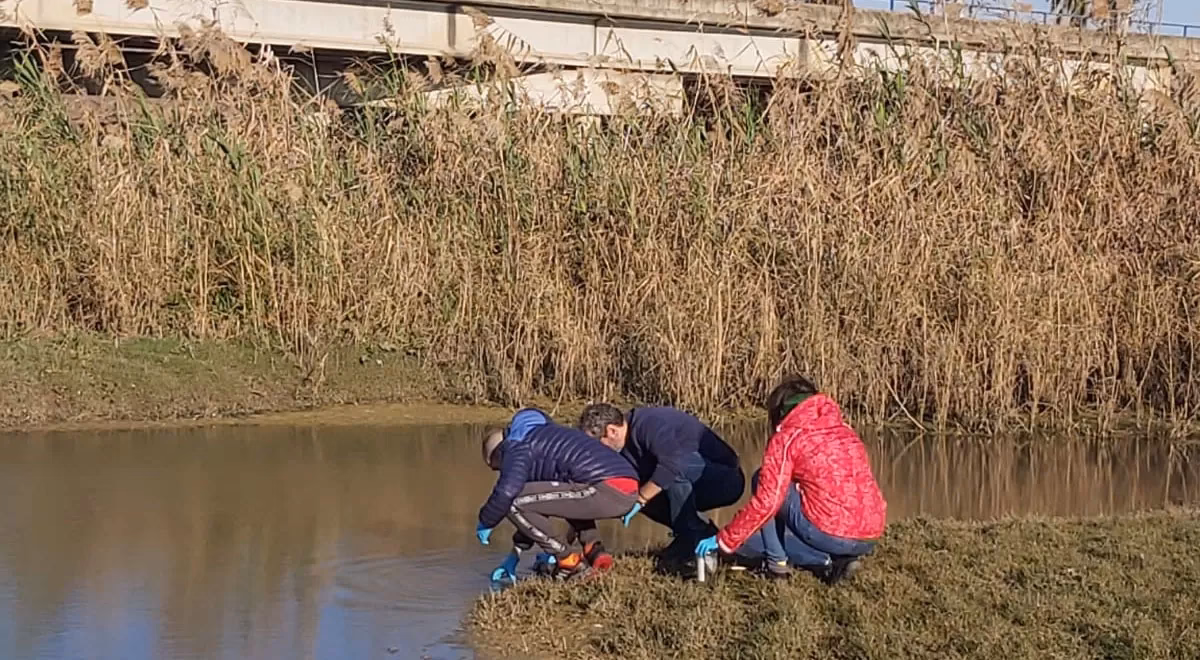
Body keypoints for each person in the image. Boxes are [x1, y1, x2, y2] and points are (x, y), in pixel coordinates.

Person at [694, 376, 887, 584]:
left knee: (762, 480)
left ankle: (777, 567)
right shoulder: (845, 431)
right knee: (827, 495)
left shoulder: (788, 438)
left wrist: (724, 540)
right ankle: (846, 560)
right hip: (871, 535)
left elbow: (767, 503)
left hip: (832, 535)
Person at [477, 407, 639, 582]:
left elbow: (508, 493)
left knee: (514, 502)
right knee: (566, 498)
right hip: (625, 484)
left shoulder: (517, 448)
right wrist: (514, 555)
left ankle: (568, 560)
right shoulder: (539, 438)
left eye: (497, 467)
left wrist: (486, 521)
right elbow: (537, 511)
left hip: (608, 488)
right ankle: (595, 551)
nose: (500, 471)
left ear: (500, 453)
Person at [577, 403, 744, 564]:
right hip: (689, 479)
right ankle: (699, 533)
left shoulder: (649, 424)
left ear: (612, 431)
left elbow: (672, 465)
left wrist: (641, 499)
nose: (597, 451)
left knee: (671, 472)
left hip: (726, 479)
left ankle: (688, 538)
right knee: (636, 490)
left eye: (597, 445)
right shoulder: (622, 447)